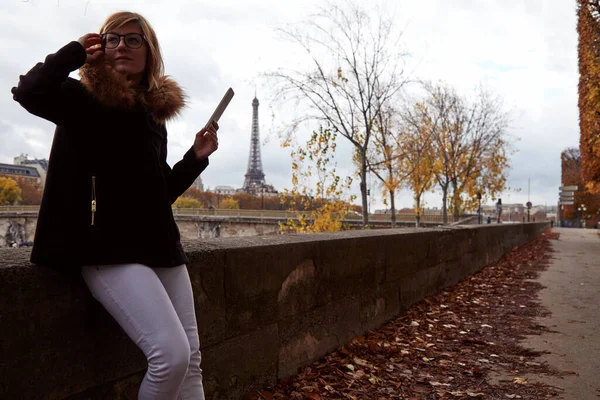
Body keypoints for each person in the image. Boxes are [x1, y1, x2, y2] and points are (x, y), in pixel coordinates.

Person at [11, 11, 218, 400]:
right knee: (171, 357)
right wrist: (74, 52)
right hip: (105, 248)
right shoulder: (80, 98)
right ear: (100, 48)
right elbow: (27, 91)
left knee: (191, 362)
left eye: (133, 39)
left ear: (150, 51)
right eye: (112, 39)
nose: (121, 45)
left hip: (159, 245)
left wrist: (196, 158)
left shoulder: (154, 115)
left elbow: (160, 193)